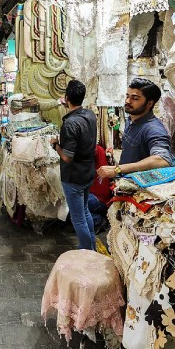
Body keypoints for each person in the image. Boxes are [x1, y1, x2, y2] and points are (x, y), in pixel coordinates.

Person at [51, 80, 98, 251]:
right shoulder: (90, 115)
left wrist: (55, 145)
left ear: (66, 98)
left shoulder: (70, 123)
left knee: (78, 217)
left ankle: (87, 252)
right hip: (87, 172)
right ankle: (91, 247)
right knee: (85, 211)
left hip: (74, 176)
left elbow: (67, 157)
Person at [97, 78, 174, 179]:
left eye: (135, 98)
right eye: (127, 96)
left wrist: (118, 169)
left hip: (139, 188)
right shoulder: (131, 119)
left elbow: (163, 159)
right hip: (124, 181)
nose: (127, 101)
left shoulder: (153, 129)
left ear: (149, 103)